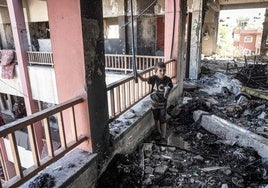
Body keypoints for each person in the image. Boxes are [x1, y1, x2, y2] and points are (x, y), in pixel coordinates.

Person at [138, 62, 173, 143]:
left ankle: (163, 137)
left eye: (164, 70)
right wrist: (137, 74)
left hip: (163, 104)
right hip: (154, 103)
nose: (162, 72)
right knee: (156, 118)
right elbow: (143, 79)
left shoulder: (168, 80)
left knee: (163, 119)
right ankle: (158, 132)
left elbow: (170, 88)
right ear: (156, 71)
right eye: (160, 70)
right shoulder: (153, 78)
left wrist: (166, 95)